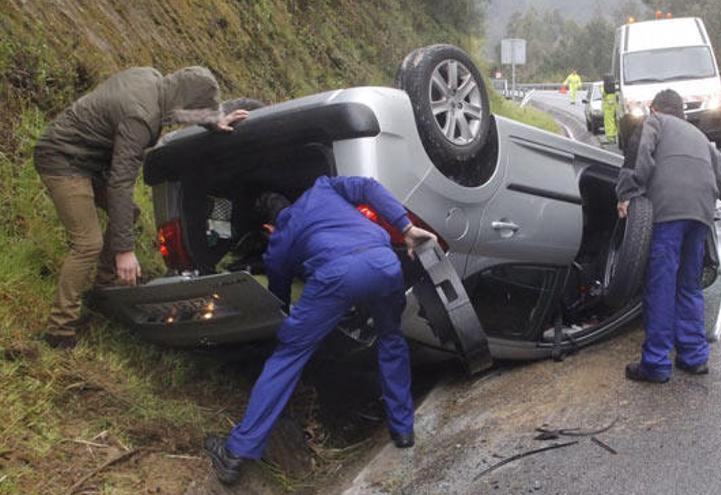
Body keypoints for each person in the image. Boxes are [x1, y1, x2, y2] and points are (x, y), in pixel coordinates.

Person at [204, 176, 437, 485]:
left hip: (336, 276)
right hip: (383, 262)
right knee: (391, 338)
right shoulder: (323, 188)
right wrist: (405, 228)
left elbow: (280, 298)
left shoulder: (279, 242)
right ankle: (403, 429)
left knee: (288, 356)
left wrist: (287, 327)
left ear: (268, 227)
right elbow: (369, 187)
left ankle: (235, 452)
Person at [33, 66, 248, 349]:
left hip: (83, 158)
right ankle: (59, 330)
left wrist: (213, 120)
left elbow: (175, 110)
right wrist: (124, 251)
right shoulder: (140, 119)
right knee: (88, 243)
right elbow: (120, 184)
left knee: (129, 214)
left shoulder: (153, 80)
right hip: (62, 160)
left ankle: (102, 290)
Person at [616, 89, 721, 383]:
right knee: (688, 285)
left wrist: (628, 192)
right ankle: (694, 357)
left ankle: (655, 364)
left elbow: (640, 152)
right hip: (701, 214)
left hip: (669, 212)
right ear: (681, 112)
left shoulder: (654, 123)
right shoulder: (700, 138)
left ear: (655, 109)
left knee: (661, 285)